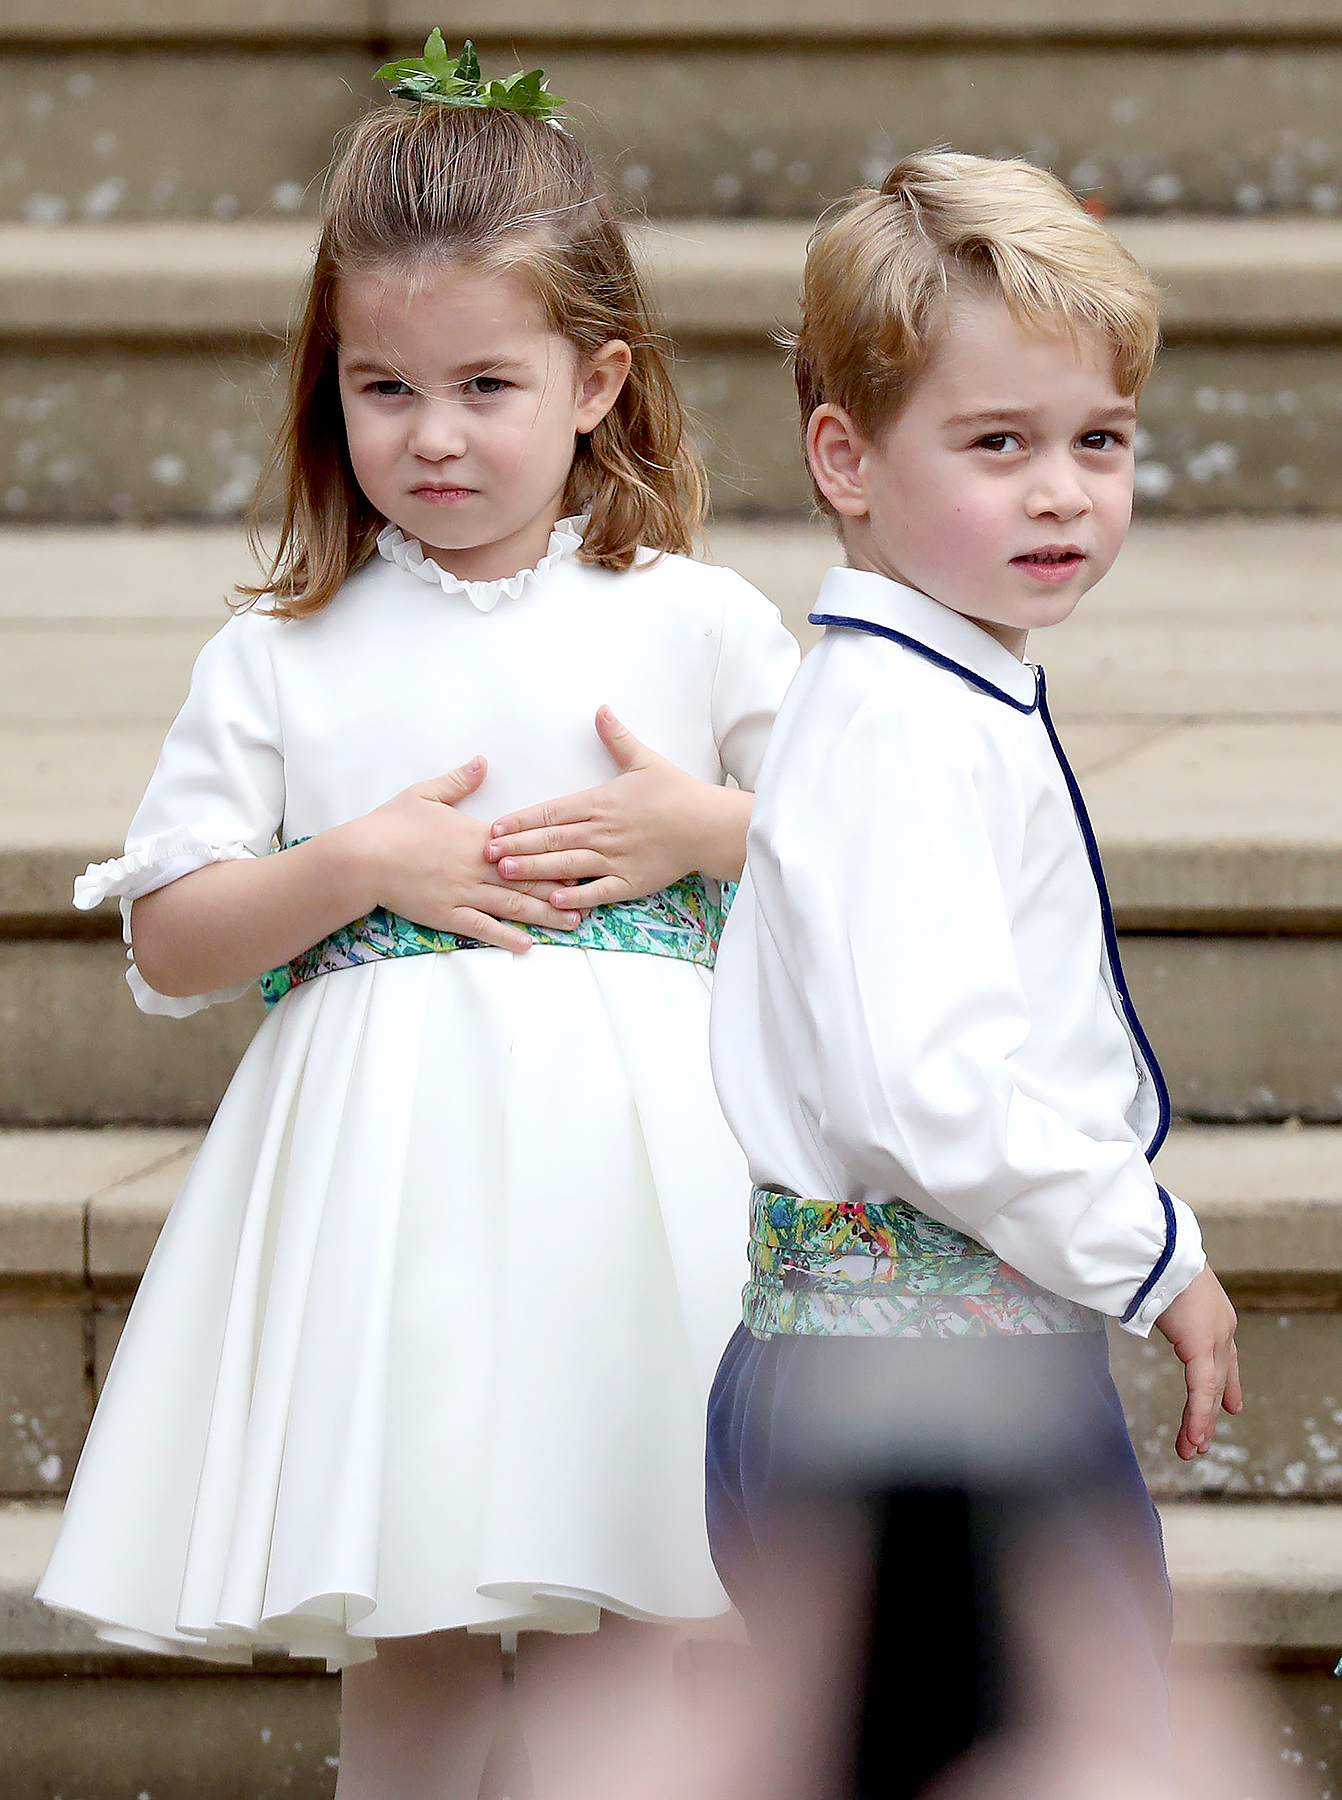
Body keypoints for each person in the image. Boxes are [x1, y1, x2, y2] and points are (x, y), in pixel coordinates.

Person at [36, 39, 800, 1800]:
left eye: (484, 385)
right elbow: (169, 940)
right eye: (385, 387)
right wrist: (350, 867)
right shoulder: (283, 652)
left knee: (647, 1618)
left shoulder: (691, 621)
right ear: (331, 385)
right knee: (416, 1620)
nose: (433, 434)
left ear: (597, 380)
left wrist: (703, 826)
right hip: (392, 1208)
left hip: (638, 1192)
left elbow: (860, 859)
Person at [705, 152, 1243, 1798]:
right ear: (845, 458)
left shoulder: (917, 693)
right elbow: (928, 1089)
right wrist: (1150, 1251)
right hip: (926, 1390)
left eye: (1099, 441)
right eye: (997, 444)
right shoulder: (905, 726)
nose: (1061, 493)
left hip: (906, 1363)